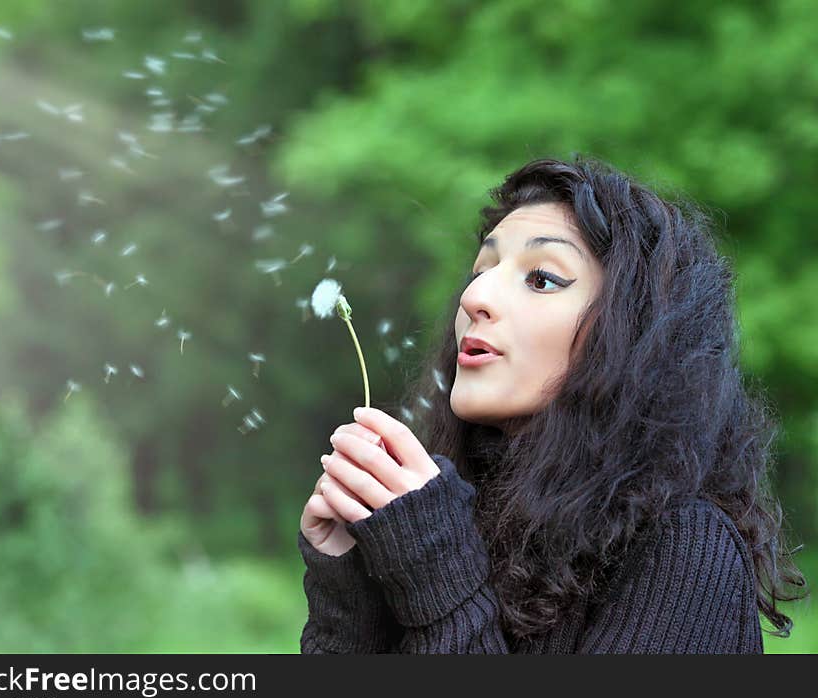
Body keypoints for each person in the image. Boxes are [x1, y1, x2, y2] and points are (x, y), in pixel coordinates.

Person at [297, 155, 809, 654]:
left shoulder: (685, 551)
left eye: (541, 278)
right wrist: (350, 596)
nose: (474, 297)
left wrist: (435, 566)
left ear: (629, 336)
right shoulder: (456, 520)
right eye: (482, 270)